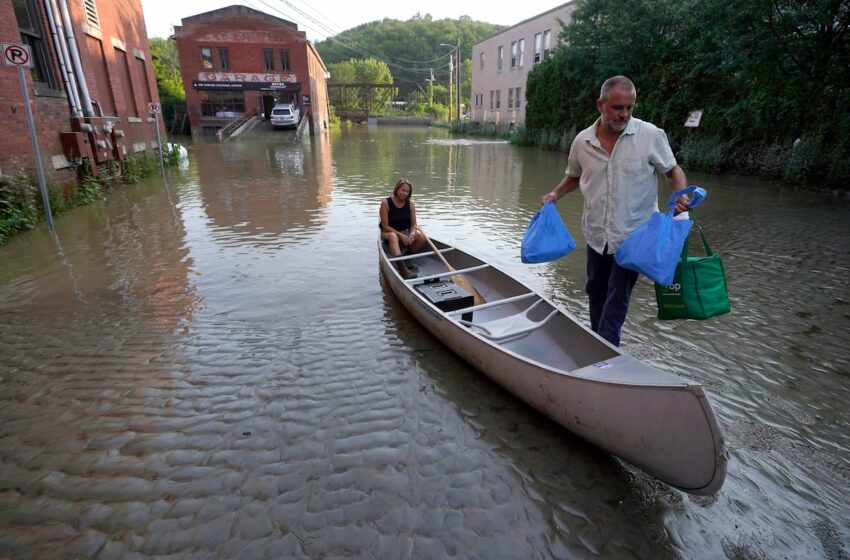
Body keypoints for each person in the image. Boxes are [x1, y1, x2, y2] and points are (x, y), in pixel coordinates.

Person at [541, 75, 690, 346]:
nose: (624, 114)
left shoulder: (650, 135)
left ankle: (605, 352)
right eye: (617, 108)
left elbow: (672, 170)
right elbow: (574, 176)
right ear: (601, 105)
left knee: (616, 298)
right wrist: (555, 194)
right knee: (595, 291)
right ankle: (599, 345)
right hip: (597, 233)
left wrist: (680, 196)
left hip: (635, 234)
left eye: (629, 108)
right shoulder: (582, 142)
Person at [380, 178, 426, 279]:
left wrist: (411, 235)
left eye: (407, 191)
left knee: (421, 237)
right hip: (388, 233)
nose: (404, 193)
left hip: (405, 232)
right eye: (403, 190)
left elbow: (414, 225)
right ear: (397, 189)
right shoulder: (386, 203)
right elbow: (385, 226)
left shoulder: (410, 204)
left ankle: (406, 258)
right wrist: (401, 236)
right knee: (393, 236)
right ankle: (402, 269)